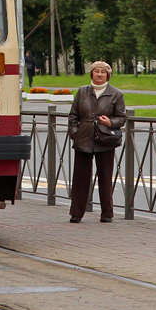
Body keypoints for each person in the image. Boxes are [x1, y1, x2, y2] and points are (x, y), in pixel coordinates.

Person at [67, 61, 127, 223]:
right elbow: (73, 116)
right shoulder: (82, 92)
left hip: (105, 139)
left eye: (103, 72)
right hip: (84, 139)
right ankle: (76, 213)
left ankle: (107, 213)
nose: (99, 74)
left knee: (105, 177)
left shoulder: (115, 94)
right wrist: (75, 133)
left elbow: (122, 118)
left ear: (108, 75)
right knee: (80, 178)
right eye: (96, 71)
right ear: (91, 74)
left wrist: (110, 123)